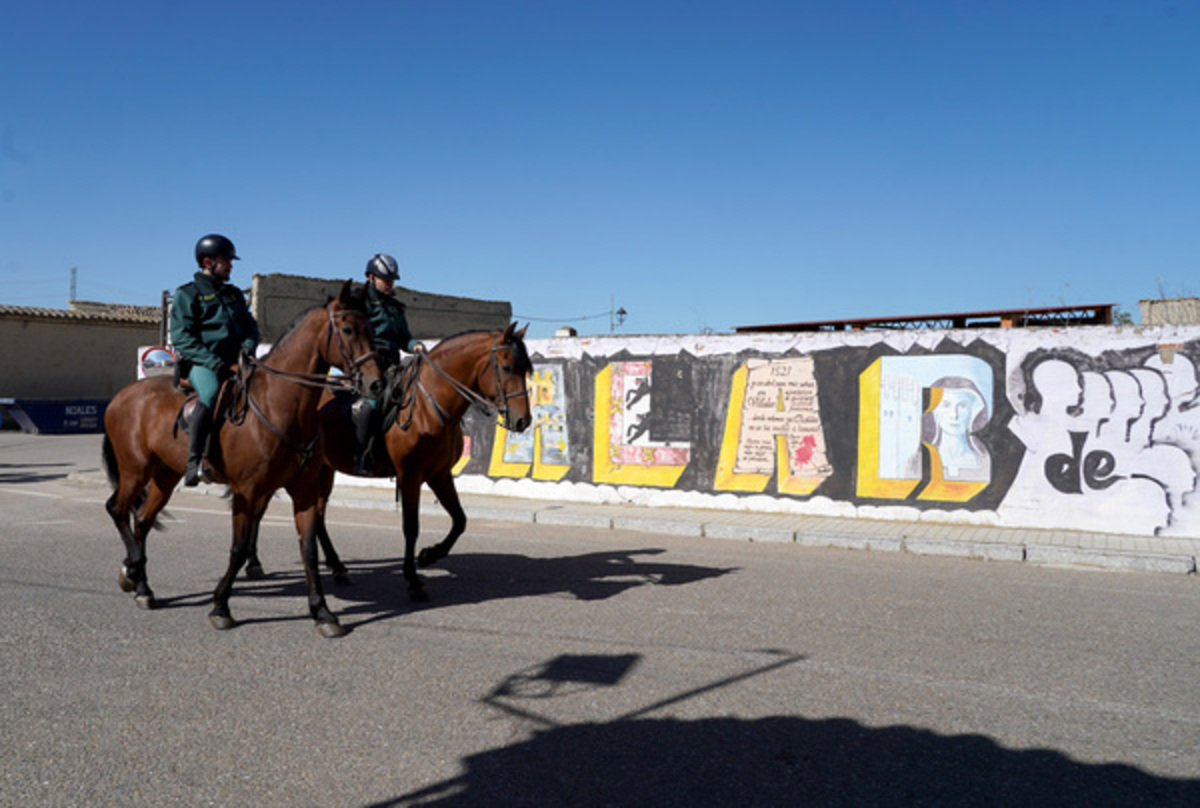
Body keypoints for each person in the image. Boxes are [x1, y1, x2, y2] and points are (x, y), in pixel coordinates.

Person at [169, 234, 261, 486]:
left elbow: (251, 327)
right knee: (210, 394)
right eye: (226, 261)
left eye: (230, 261)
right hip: (203, 363)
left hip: (237, 360)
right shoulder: (188, 294)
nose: (230, 265)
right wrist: (213, 362)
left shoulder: (233, 295)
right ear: (208, 262)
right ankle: (194, 462)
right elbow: (181, 337)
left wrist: (248, 347)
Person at [353, 253, 425, 472]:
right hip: (370, 368)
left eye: (392, 279)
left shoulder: (395, 307)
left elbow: (405, 338)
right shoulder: (361, 301)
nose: (390, 283)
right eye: (386, 279)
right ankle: (361, 455)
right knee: (372, 404)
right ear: (371, 277)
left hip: (394, 366)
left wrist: (416, 346)